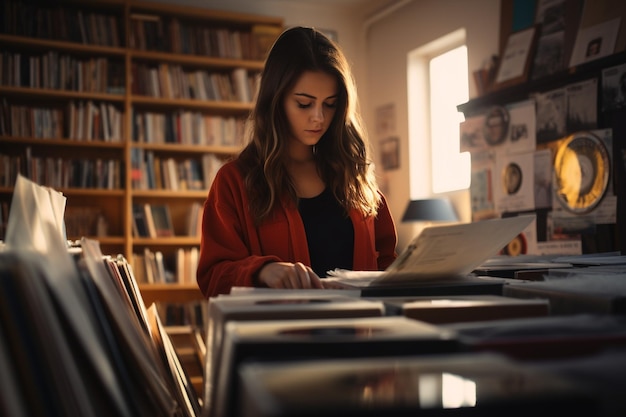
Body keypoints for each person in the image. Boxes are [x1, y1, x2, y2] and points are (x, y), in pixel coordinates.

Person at [196, 26, 398, 298]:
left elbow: (388, 265)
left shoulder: (354, 176)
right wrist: (262, 271)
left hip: (362, 333)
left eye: (330, 104)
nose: (319, 117)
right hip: (284, 337)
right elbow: (212, 278)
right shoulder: (235, 181)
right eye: (304, 104)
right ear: (275, 101)